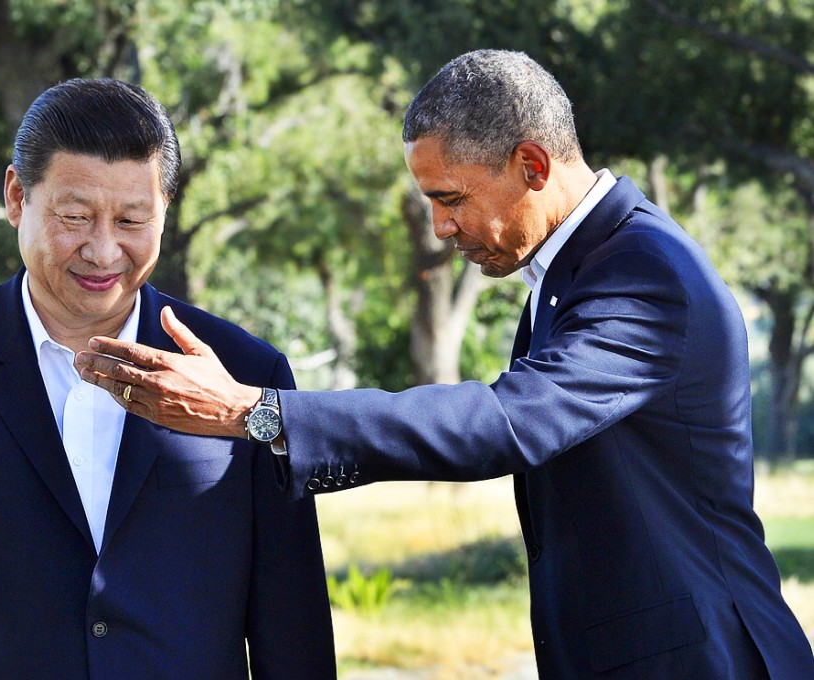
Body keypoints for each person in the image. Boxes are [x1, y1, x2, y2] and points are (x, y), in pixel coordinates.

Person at [75, 51, 814, 678]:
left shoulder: (645, 273)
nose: (439, 227)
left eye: (450, 198)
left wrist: (254, 411)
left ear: (531, 163)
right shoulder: (577, 269)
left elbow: (507, 421)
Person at [0, 78, 336, 680]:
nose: (104, 251)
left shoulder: (247, 374)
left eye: (133, 219)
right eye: (76, 217)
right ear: (16, 197)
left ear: (164, 212)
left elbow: (293, 629)